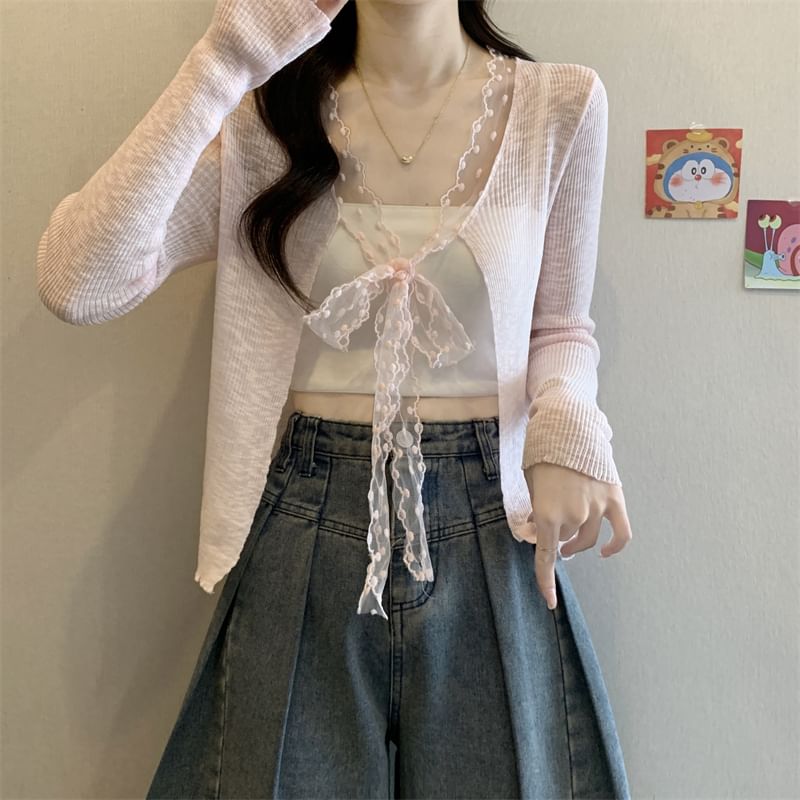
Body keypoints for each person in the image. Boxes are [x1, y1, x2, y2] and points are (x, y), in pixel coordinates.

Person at [36, 0, 634, 796]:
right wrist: (228, 56)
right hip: (306, 516)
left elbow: (560, 328)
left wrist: (565, 424)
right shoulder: (268, 121)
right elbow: (79, 282)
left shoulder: (560, 105)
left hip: (495, 521)